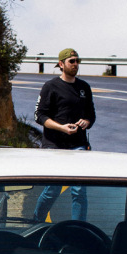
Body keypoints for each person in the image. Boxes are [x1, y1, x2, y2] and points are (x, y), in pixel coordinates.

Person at [32, 47, 96, 223]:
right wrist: (61, 128)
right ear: (61, 64)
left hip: (78, 145)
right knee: (53, 189)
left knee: (79, 190)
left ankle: (79, 228)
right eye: (72, 61)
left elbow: (91, 114)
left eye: (77, 61)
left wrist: (86, 122)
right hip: (54, 145)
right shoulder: (50, 86)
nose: (76, 64)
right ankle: (36, 221)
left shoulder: (84, 87)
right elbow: (39, 116)